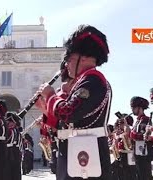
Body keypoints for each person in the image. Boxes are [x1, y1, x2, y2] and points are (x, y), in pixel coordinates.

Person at [37, 24, 112, 180]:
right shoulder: (85, 81)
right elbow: (68, 122)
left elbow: (69, 113)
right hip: (79, 148)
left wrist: (51, 95)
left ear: (83, 58)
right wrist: (47, 110)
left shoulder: (93, 80)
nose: (66, 65)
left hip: (87, 150)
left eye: (69, 59)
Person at [129, 96, 153, 180]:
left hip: (144, 153)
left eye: (133, 107)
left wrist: (130, 133)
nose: (132, 110)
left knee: (145, 176)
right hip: (138, 152)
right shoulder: (138, 121)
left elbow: (143, 136)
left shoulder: (146, 119)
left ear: (140, 108)